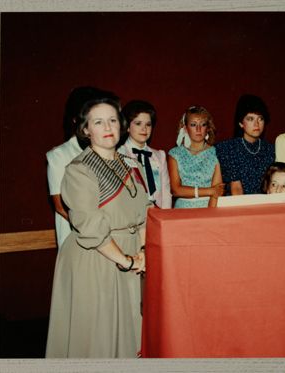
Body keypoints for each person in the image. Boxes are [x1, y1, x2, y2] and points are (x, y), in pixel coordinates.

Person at [46, 95, 151, 358]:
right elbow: (91, 227)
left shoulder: (132, 165)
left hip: (132, 257)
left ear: (122, 126)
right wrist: (126, 261)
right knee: (99, 339)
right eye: (99, 122)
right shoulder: (79, 169)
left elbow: (142, 215)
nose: (107, 127)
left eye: (113, 120)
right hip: (97, 258)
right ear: (85, 130)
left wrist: (142, 251)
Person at [46, 86, 117, 249]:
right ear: (76, 121)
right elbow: (60, 207)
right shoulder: (59, 155)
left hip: (109, 237)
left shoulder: (108, 151)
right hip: (77, 238)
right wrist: (96, 229)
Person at [216, 94, 275, 195]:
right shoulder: (228, 149)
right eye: (250, 119)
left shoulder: (270, 149)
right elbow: (236, 189)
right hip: (237, 205)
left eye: (260, 118)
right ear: (241, 123)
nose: (257, 124)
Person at [118, 100, 172, 208]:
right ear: (127, 127)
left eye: (148, 124)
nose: (144, 129)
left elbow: (166, 193)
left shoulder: (159, 156)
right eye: (138, 123)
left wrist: (165, 218)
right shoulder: (118, 154)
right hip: (132, 216)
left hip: (158, 215)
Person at [168, 105, 224, 208]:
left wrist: (210, 216)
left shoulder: (216, 153)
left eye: (202, 124)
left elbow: (217, 192)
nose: (198, 129)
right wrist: (209, 191)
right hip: (182, 210)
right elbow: (175, 190)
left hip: (208, 208)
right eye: (193, 125)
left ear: (207, 128)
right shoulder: (175, 154)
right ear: (185, 128)